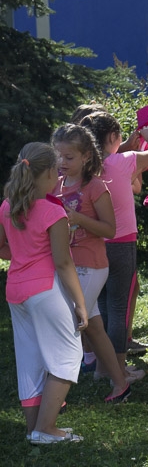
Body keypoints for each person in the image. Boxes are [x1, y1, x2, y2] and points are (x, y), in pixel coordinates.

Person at [0, 143, 87, 444]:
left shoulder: (8, 206)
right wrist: (80, 303)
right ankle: (46, 428)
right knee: (68, 353)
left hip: (16, 291)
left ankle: (34, 430)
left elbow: (3, 248)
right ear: (49, 173)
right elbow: (63, 263)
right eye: (57, 171)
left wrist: (25, 252)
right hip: (44, 290)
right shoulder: (53, 211)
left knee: (30, 360)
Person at [51, 123, 134, 403]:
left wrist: (79, 219)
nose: (62, 162)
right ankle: (121, 385)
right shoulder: (56, 184)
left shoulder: (96, 187)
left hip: (92, 265)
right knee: (95, 328)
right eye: (58, 156)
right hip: (67, 265)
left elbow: (110, 229)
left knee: (67, 322)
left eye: (69, 157)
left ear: (86, 156)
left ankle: (53, 395)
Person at [79, 111, 148, 381]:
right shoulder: (123, 161)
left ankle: (102, 368)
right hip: (122, 244)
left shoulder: (85, 166)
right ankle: (120, 371)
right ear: (113, 136)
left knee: (101, 307)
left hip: (95, 245)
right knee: (119, 308)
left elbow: (109, 155)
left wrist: (125, 145)